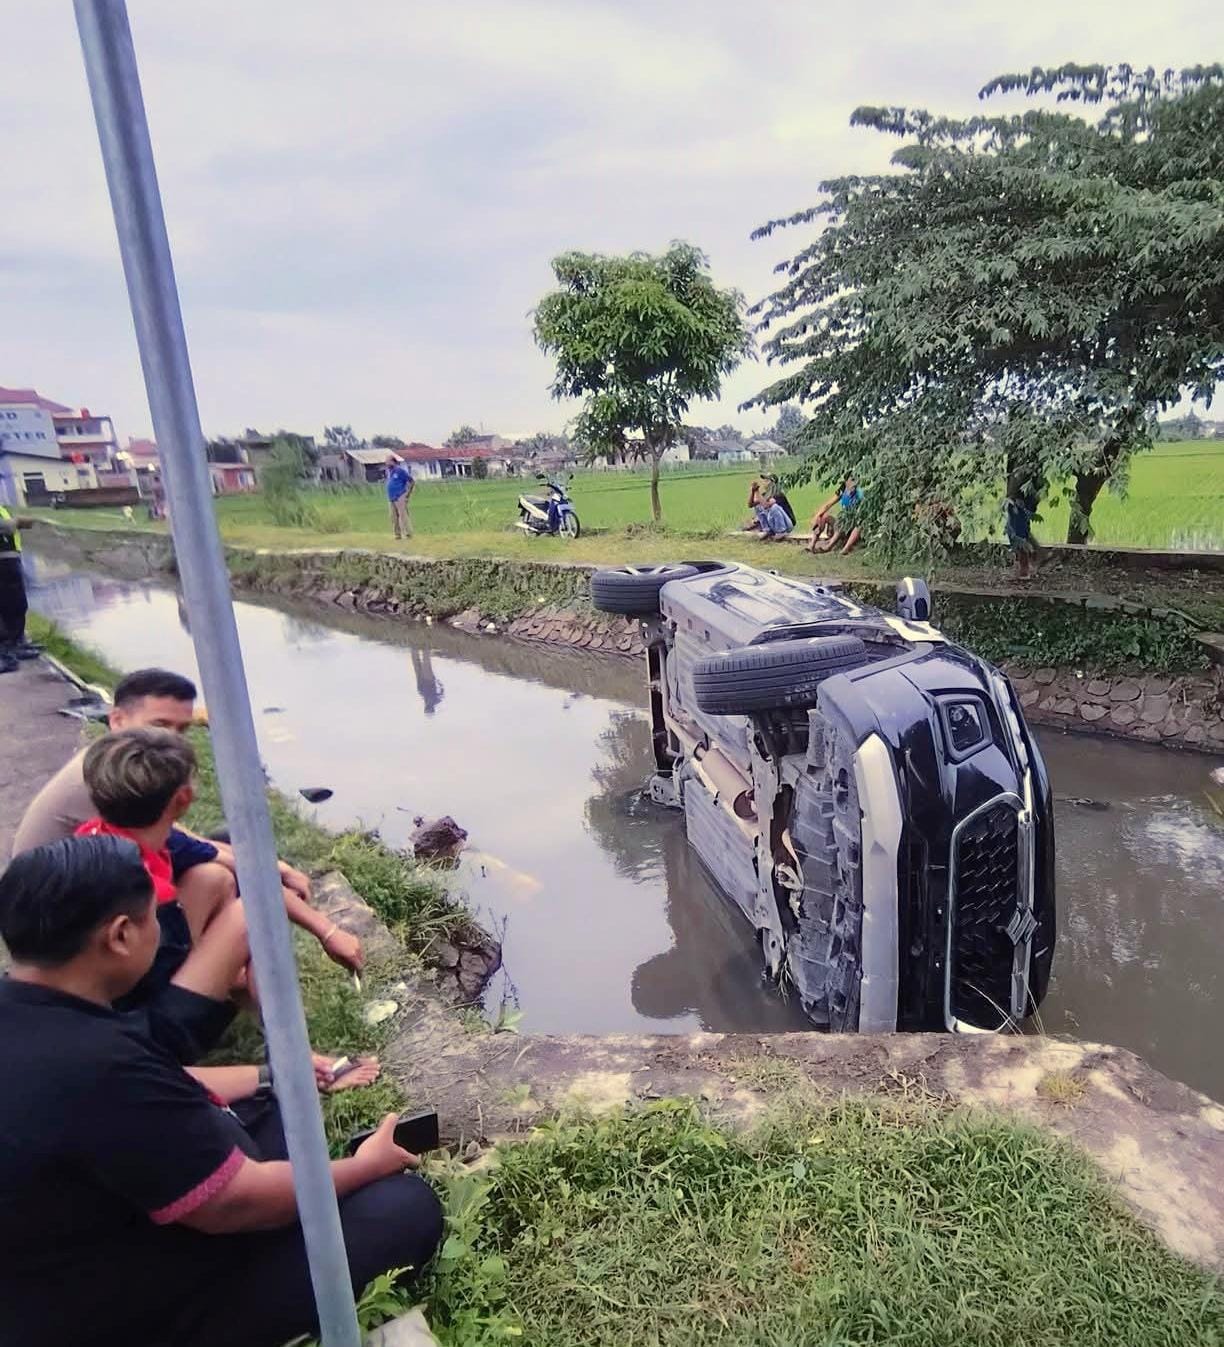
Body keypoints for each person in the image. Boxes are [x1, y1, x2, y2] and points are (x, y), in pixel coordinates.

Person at [0, 836, 442, 1347]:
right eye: (156, 919)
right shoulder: (103, 1065)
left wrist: (275, 1075)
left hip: (55, 1255)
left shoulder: (39, 1018)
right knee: (404, 1208)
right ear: (120, 936)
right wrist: (367, 1165)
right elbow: (231, 1206)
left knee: (274, 1110)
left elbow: (164, 1087)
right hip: (118, 1309)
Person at [12, 667, 364, 976]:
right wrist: (324, 927)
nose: (170, 740)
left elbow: (183, 841)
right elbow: (187, 846)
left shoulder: (115, 766)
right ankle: (214, 984)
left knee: (226, 852)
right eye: (159, 726)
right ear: (117, 719)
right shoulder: (101, 784)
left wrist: (276, 867)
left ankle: (221, 974)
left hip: (95, 899)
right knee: (224, 879)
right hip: (67, 934)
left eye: (180, 729)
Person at [0, 503, 39, 673]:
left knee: (16, 604)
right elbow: (5, 527)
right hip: (3, 562)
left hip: (9, 559)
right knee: (9, 605)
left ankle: (16, 642)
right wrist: (14, 523)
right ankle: (8, 646)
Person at [810, 475, 864, 555]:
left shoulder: (859, 493)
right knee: (823, 516)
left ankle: (834, 547)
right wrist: (816, 516)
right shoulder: (842, 491)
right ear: (846, 482)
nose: (854, 483)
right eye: (851, 480)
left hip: (853, 524)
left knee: (856, 525)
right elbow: (828, 505)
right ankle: (811, 545)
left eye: (855, 480)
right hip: (842, 521)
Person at [1004, 482, 1041, 579]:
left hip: (1023, 484)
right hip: (1024, 483)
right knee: (1020, 522)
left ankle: (1024, 564)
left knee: (1018, 523)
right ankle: (1034, 555)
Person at [386, 454, 415, 540]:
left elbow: (411, 481)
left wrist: (407, 494)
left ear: (393, 462)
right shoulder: (389, 472)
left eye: (388, 461)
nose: (386, 464)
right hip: (391, 498)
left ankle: (408, 533)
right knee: (393, 517)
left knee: (403, 516)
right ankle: (397, 534)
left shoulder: (400, 471)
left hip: (400, 496)